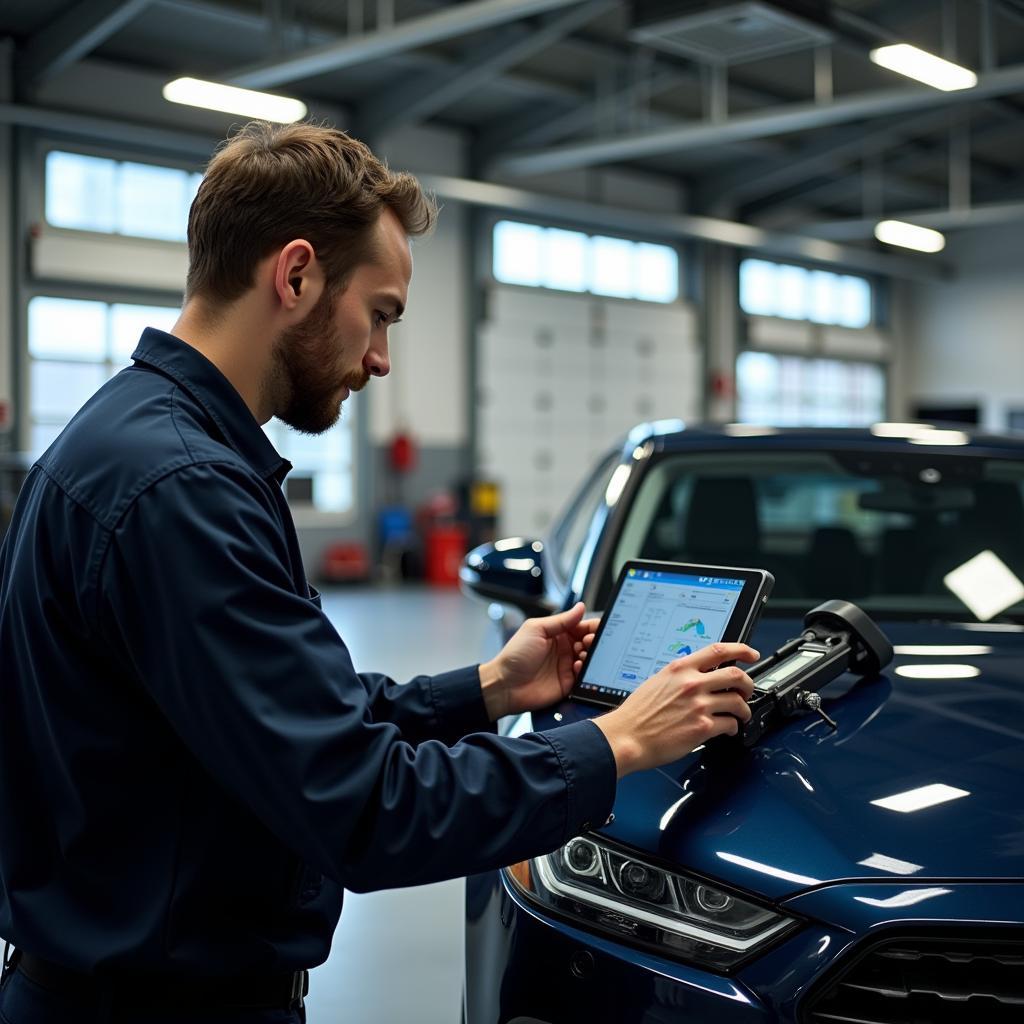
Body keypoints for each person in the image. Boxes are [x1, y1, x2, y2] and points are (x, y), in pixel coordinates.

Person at [0, 121, 757, 1023]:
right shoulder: (185, 489)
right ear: (296, 275)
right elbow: (363, 808)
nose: (380, 359)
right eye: (383, 313)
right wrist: (620, 740)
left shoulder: (134, 440)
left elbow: (279, 718)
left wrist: (488, 687)